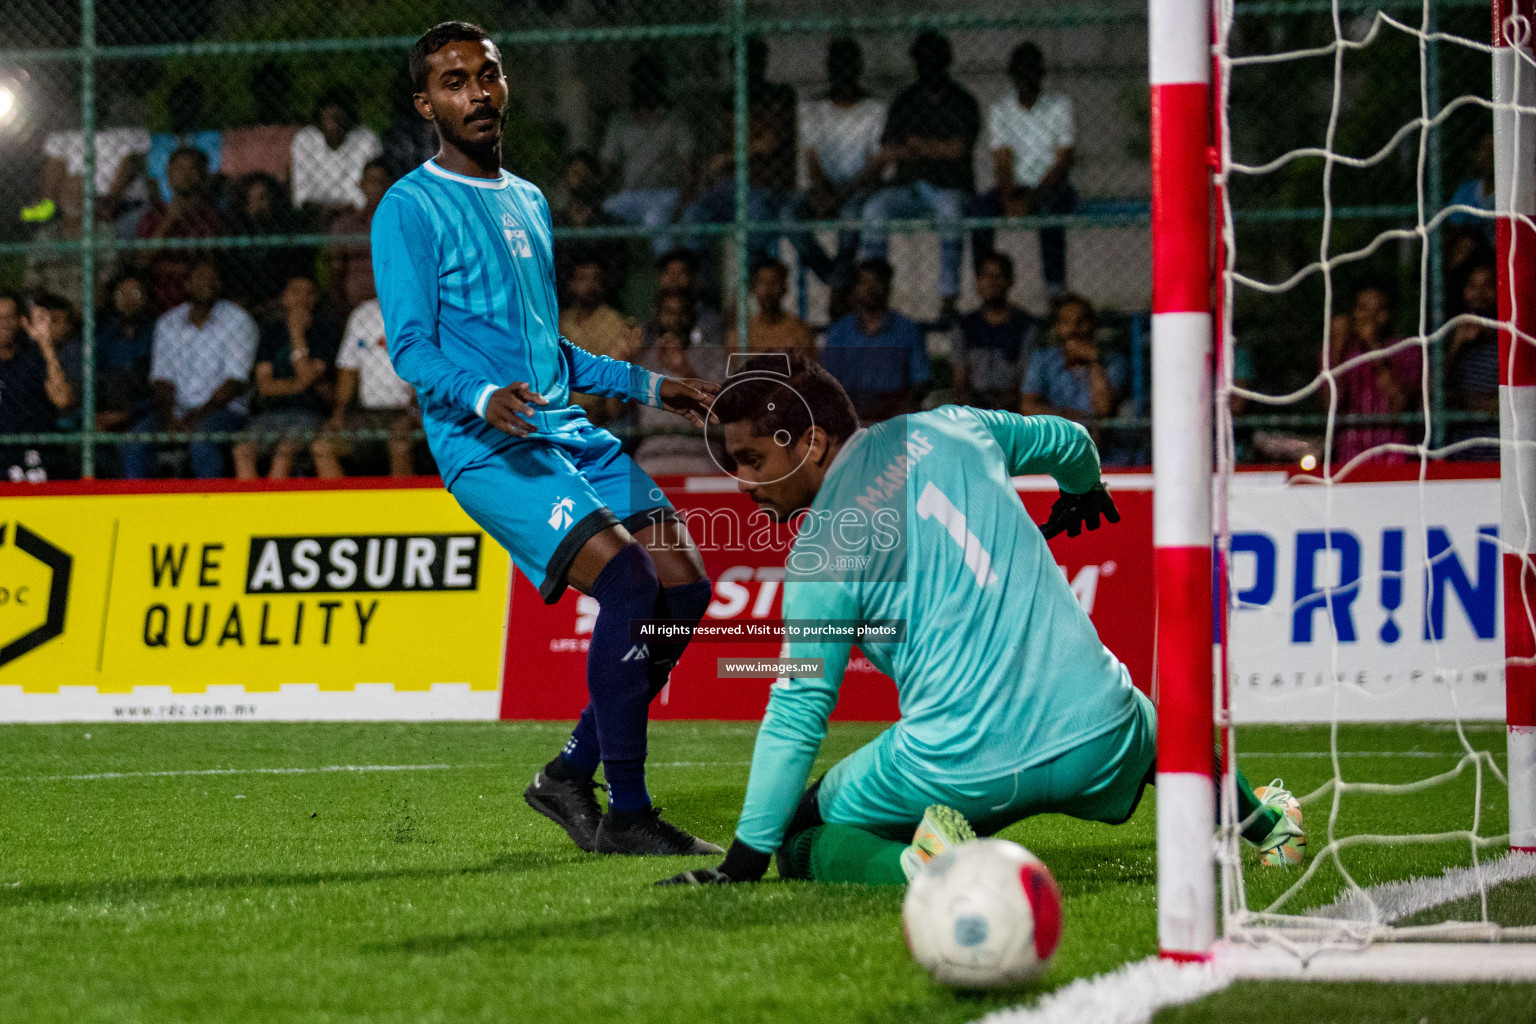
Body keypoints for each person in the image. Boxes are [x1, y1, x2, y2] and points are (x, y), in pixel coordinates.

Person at [658, 356, 1304, 887]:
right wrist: (1081, 487)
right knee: (1156, 723)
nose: (741, 482)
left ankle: (920, 868)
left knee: (802, 833)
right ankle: (1270, 829)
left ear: (814, 443)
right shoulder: (953, 426)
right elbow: (1073, 442)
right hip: (1098, 740)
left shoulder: (819, 556)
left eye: (753, 460)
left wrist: (743, 864)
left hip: (961, 774)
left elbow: (799, 710)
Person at [374, 22, 724, 856]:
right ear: (427, 104)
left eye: (487, 75)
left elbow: (548, 351)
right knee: (635, 586)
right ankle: (628, 816)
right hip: (487, 444)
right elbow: (412, 347)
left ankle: (569, 773)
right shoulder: (409, 207)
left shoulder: (528, 199)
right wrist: (484, 392)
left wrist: (651, 385)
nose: (477, 92)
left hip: (567, 431)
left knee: (686, 588)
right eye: (454, 82)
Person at [859, 31, 980, 322]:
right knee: (873, 210)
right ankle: (874, 292)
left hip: (949, 187)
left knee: (950, 211)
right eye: (923, 60)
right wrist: (932, 148)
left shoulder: (962, 100)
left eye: (935, 59)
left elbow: (959, 149)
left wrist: (917, 146)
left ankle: (948, 298)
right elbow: (889, 150)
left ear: (946, 61)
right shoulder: (906, 100)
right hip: (907, 188)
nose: (929, 66)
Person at [122, 258, 258, 479]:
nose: (208, 283)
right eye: (200, 277)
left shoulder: (239, 320)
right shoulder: (168, 322)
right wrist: (169, 419)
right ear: (186, 284)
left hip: (226, 411)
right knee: (134, 443)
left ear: (221, 285)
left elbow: (235, 383)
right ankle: (142, 508)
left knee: (202, 443)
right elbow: (162, 379)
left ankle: (209, 508)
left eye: (213, 279)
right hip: (174, 411)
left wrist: (194, 420)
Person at [681, 36, 798, 272]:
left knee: (756, 223)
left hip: (765, 185)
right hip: (731, 186)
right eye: (738, 62)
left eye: (750, 61)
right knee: (694, 216)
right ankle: (699, 288)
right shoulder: (730, 99)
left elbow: (768, 145)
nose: (744, 68)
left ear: (761, 63)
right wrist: (728, 160)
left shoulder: (778, 95)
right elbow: (722, 155)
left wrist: (730, 158)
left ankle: (741, 293)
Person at [974, 42, 1077, 298]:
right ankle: (986, 284)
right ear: (1012, 75)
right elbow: (1002, 159)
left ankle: (1055, 291)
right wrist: (1009, 197)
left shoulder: (1059, 105)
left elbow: (1063, 162)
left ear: (1041, 73)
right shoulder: (1001, 110)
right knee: (978, 211)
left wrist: (1033, 198)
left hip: (1051, 186)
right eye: (1020, 71)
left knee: (1050, 213)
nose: (1026, 77)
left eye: (1032, 70)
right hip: (1015, 186)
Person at [794, 37, 889, 295]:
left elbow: (875, 166)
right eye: (837, 66)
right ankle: (831, 274)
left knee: (850, 215)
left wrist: (842, 195)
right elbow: (812, 160)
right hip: (825, 186)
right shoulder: (812, 108)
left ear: (858, 68)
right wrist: (824, 193)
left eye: (848, 65)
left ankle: (842, 278)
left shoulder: (875, 109)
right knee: (789, 215)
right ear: (829, 69)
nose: (842, 73)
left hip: (861, 187)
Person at [233, 275, 340, 480]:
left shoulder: (326, 331)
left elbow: (308, 376)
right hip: (270, 414)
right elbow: (265, 387)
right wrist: (300, 383)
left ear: (315, 299)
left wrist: (296, 332)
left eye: (308, 293)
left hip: (308, 413)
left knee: (284, 451)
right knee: (242, 451)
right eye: (295, 292)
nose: (301, 298)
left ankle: (273, 509)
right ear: (284, 298)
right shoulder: (270, 332)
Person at [599, 54, 697, 257]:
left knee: (655, 219)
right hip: (630, 195)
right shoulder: (620, 121)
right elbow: (606, 165)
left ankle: (668, 273)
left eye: (650, 80)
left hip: (665, 194)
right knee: (604, 212)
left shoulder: (674, 120)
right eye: (640, 80)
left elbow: (688, 165)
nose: (644, 86)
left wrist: (683, 202)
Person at [818, 258, 930, 422]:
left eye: (877, 281)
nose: (870, 288)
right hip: (851, 418)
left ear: (888, 286)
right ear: (855, 288)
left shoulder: (907, 330)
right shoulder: (840, 332)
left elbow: (920, 381)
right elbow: (828, 382)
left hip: (894, 419)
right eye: (864, 282)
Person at [318, 297, 418, 478]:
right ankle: (345, 506)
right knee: (322, 447)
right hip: (366, 413)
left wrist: (416, 411)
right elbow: (348, 368)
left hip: (407, 410)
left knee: (399, 444)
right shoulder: (363, 314)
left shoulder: (418, 309)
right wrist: (339, 414)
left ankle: (402, 505)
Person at [633, 292, 728, 476]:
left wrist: (685, 369)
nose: (675, 319)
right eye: (668, 312)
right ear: (657, 317)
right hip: (654, 452)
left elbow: (719, 412)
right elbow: (615, 411)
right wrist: (622, 359)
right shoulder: (643, 360)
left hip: (699, 450)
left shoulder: (712, 357)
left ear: (691, 318)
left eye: (681, 313)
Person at [1328, 282, 1420, 467]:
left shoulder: (1407, 350)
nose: (1370, 317)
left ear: (1391, 314)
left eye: (1379, 311)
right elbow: (1332, 406)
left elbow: (1401, 406)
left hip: (1396, 456)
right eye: (1363, 309)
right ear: (1353, 312)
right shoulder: (1338, 351)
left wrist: (1373, 348)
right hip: (1350, 456)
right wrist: (1337, 350)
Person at [136, 146, 231, 313]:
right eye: (179, 168)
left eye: (192, 168)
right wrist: (168, 223)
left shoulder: (214, 217)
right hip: (159, 299)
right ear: (169, 173)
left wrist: (167, 266)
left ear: (203, 175)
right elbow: (142, 261)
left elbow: (211, 262)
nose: (186, 174)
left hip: (202, 300)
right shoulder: (154, 216)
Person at [0, 292, 73, 482]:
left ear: (20, 321)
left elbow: (62, 399)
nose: (3, 324)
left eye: (8, 318)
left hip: (35, 453)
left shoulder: (33, 357)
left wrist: (45, 342)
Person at [1020, 294, 1124, 423]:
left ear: (1092, 324)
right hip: (1056, 432)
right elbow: (1028, 407)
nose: (1074, 328)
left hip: (1099, 436)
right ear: (1057, 327)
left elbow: (1104, 411)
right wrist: (1070, 418)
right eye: (1066, 321)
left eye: (1081, 321)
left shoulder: (1112, 361)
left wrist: (1095, 360)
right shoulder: (1041, 360)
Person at [953, 251, 1037, 410]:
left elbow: (1025, 379)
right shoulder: (964, 326)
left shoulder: (1025, 326)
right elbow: (960, 380)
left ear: (1010, 281)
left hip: (1012, 408)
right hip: (974, 405)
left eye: (998, 276)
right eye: (986, 276)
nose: (991, 282)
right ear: (977, 282)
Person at [290, 89, 384, 226]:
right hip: (314, 214)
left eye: (338, 118)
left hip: (358, 213)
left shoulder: (367, 139)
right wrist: (324, 210)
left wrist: (344, 210)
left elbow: (370, 191)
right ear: (319, 120)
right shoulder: (304, 140)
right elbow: (301, 196)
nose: (334, 125)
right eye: (329, 119)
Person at [560, 257, 633, 426]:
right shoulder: (561, 322)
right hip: (564, 406)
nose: (590, 286)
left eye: (596, 279)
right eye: (584, 279)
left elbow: (616, 375)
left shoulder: (614, 322)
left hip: (602, 412)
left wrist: (598, 411)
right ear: (571, 284)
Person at [227, 172, 312, 313]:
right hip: (244, 306)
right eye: (251, 199)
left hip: (282, 305)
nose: (258, 206)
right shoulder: (235, 237)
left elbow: (299, 274)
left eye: (263, 198)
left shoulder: (288, 235)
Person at [552, 151, 630, 307]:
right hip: (561, 300)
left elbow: (616, 267)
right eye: (575, 173)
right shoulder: (554, 222)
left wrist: (593, 285)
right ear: (565, 179)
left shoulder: (610, 223)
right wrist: (571, 286)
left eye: (585, 174)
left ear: (595, 180)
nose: (580, 179)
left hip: (601, 301)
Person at [220, 61, 302, 186]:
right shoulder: (237, 136)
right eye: (264, 91)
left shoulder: (297, 135)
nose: (268, 98)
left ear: (282, 95)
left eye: (274, 91)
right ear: (256, 95)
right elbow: (231, 178)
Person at [1447, 261, 1498, 460]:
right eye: (1473, 286)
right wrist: (1457, 346)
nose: (1479, 293)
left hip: (1499, 445)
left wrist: (1470, 402)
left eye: (1487, 285)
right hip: (1462, 447)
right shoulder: (1450, 334)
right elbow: (1436, 395)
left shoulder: (1513, 338)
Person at [328, 158, 392, 310]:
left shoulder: (403, 223)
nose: (378, 187)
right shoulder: (345, 225)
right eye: (372, 181)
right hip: (355, 305)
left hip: (393, 304)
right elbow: (335, 272)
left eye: (382, 182)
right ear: (362, 185)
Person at [145, 78, 223, 204]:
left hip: (200, 203)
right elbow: (153, 179)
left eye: (189, 103)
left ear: (198, 108)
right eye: (179, 103)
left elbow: (213, 174)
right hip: (166, 205)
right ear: (170, 106)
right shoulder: (159, 140)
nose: (184, 109)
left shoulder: (211, 137)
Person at [727, 257, 816, 353]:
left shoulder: (800, 332)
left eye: (774, 283)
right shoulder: (741, 335)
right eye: (763, 282)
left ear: (784, 288)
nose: (768, 290)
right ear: (754, 288)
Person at [647, 248, 725, 348]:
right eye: (668, 272)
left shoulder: (710, 324)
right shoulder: (648, 326)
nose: (673, 279)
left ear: (693, 278)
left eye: (681, 272)